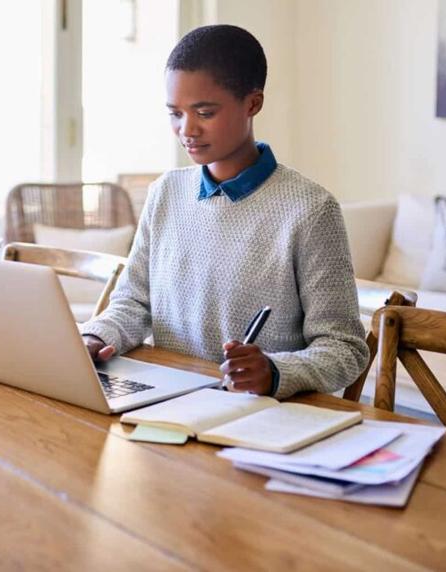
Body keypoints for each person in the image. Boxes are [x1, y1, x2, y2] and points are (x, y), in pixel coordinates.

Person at [80, 24, 368, 399]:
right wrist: (95, 335)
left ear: (253, 104)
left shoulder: (311, 210)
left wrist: (275, 371)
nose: (187, 130)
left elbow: (345, 349)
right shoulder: (165, 192)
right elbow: (133, 303)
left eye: (204, 112)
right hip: (162, 402)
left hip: (256, 415)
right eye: (175, 113)